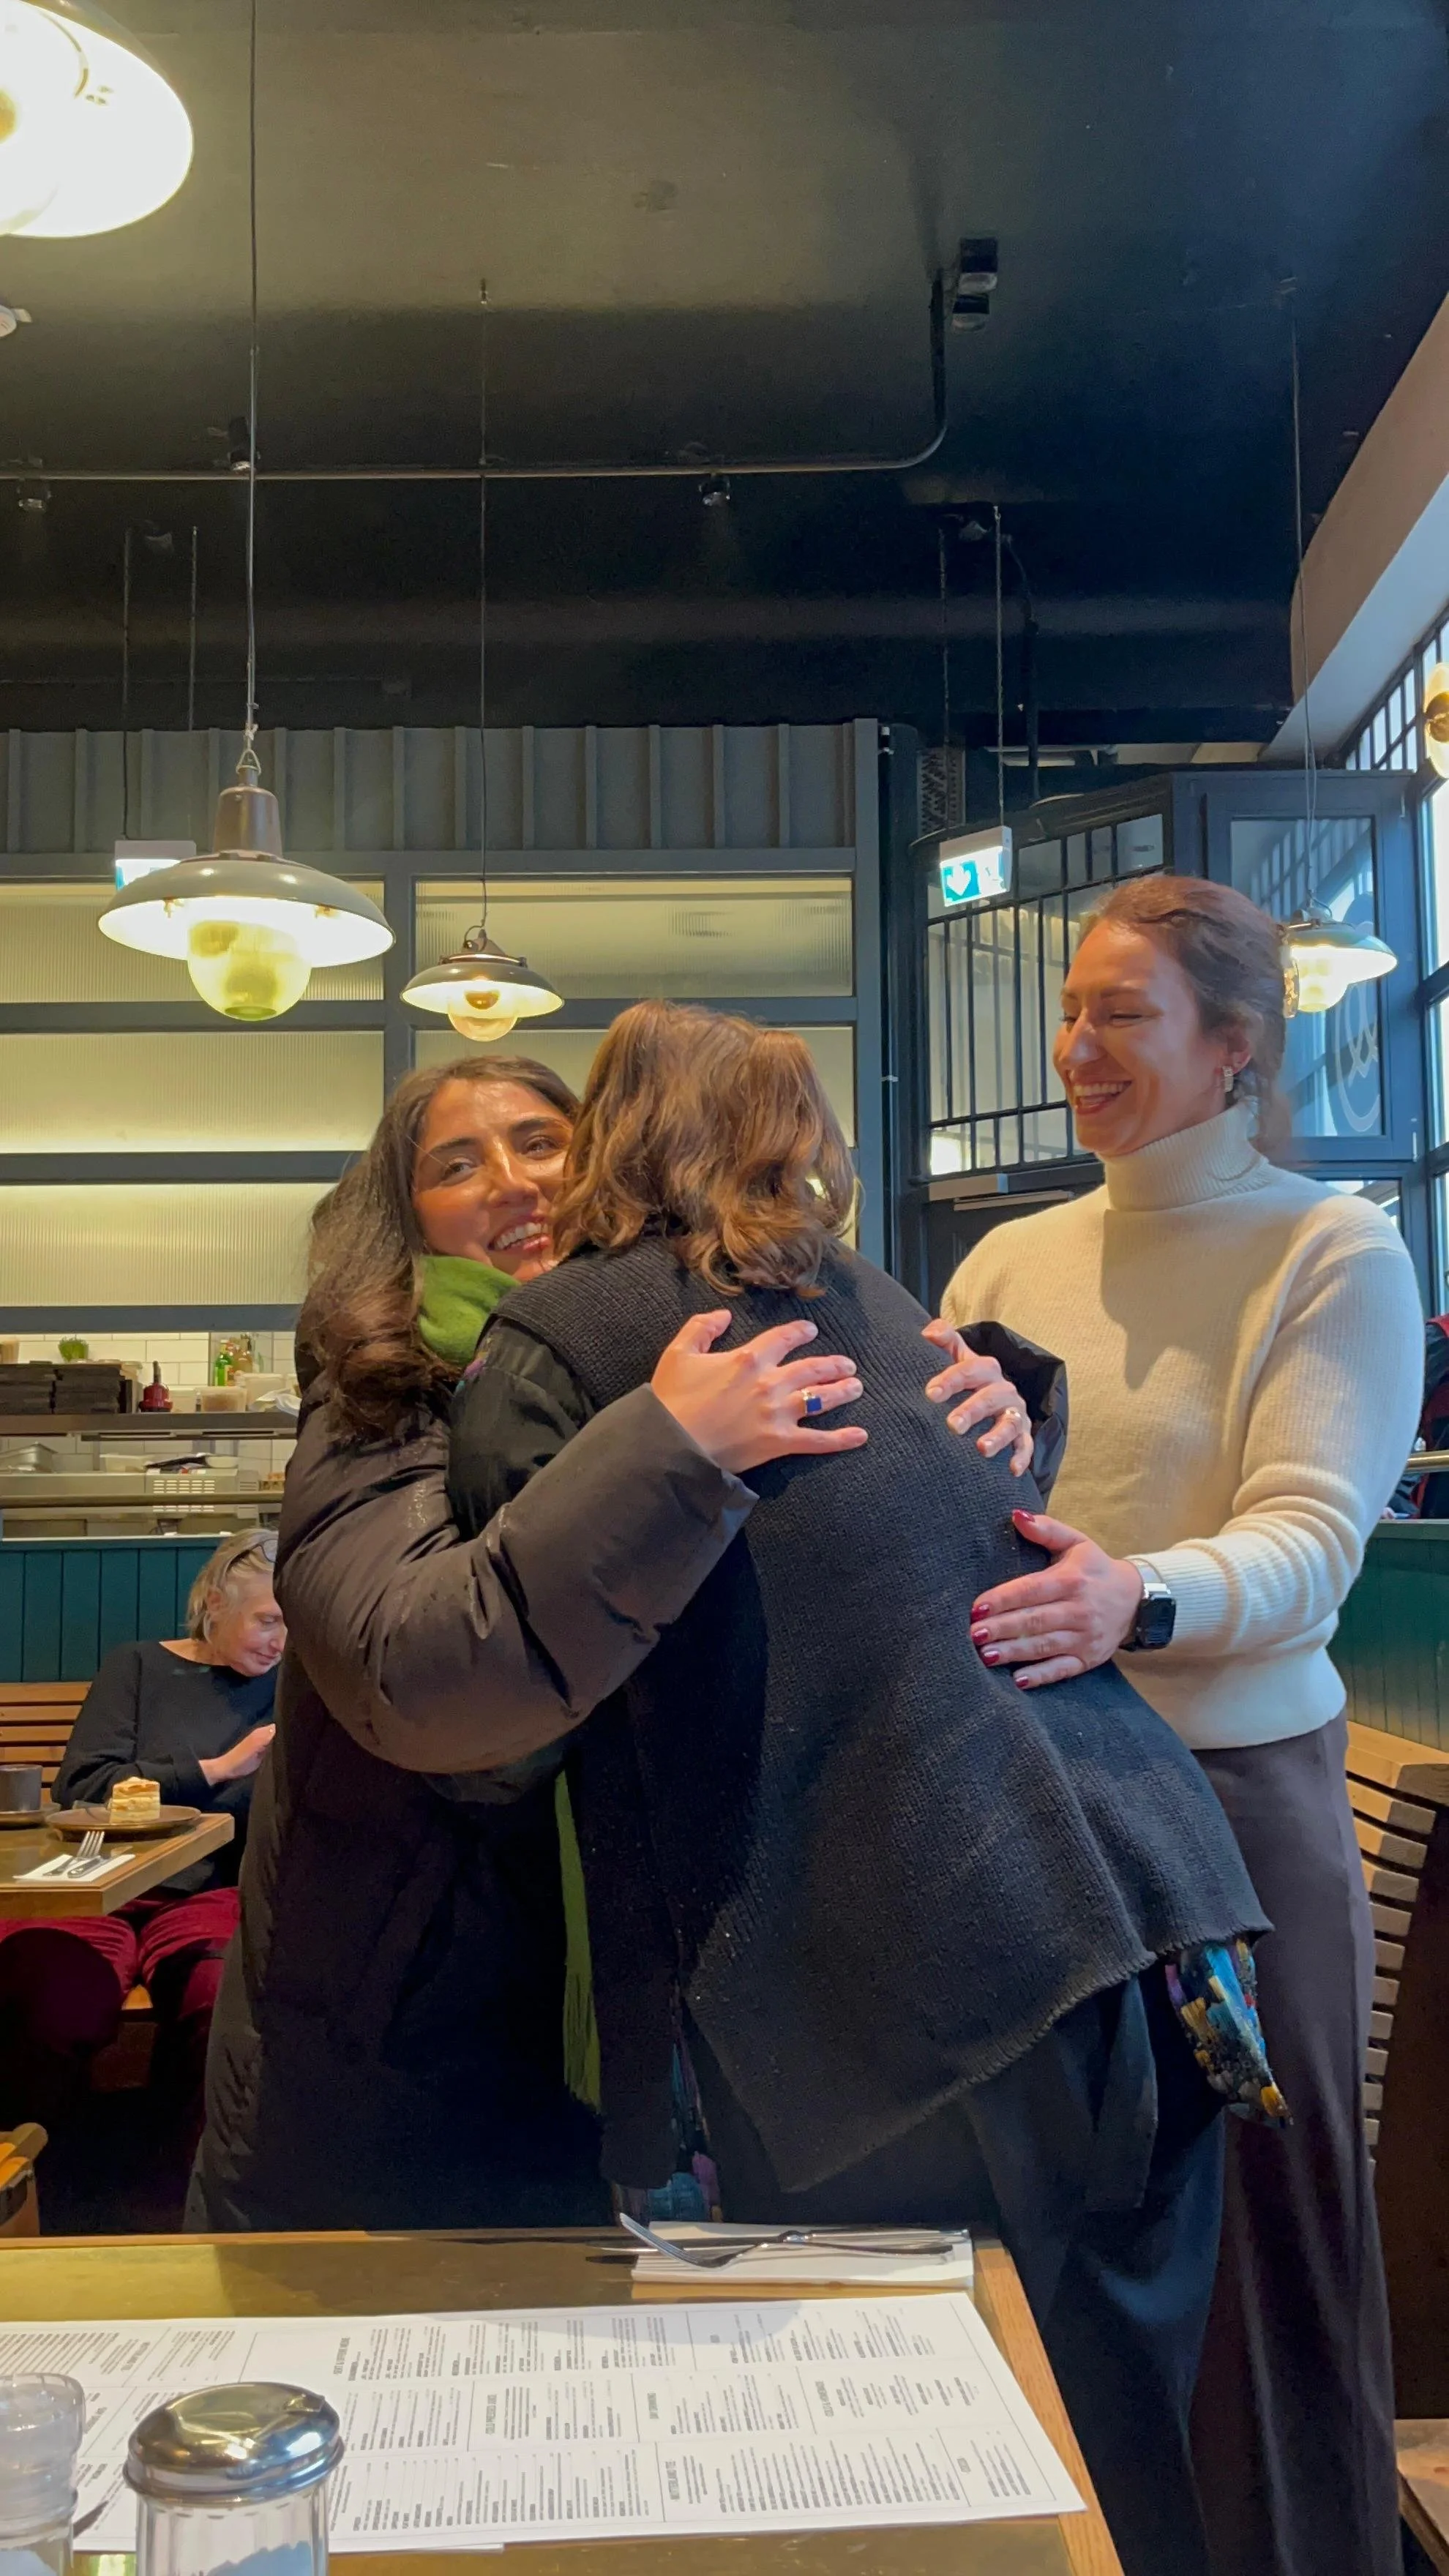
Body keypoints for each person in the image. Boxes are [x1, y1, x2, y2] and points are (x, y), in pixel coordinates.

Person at [446, 999, 1273, 2576]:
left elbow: (515, 1679)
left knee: (911, 2479)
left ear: (615, 1128)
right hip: (1160, 1918)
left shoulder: (565, 1339)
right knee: (1114, 2438)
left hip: (924, 1979)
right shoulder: (885, 1305)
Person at [195, 1050, 1024, 2234]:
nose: (513, 1181)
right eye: (456, 1163)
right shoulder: (381, 1397)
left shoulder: (670, 1354)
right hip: (395, 2022)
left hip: (641, 2011)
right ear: (402, 1217)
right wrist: (670, 1454)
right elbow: (423, 1679)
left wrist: (995, 1405)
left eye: (543, 1143)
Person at [942, 872, 1423, 2576]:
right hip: (1036, 1795)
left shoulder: (1328, 1245)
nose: (1075, 1045)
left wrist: (1123, 1595)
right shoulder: (1007, 1255)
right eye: (1067, 1010)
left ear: (1230, 1044)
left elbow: (1303, 1544)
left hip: (1228, 1814)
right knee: (1049, 2228)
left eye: (1118, 1013)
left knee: (1256, 2247)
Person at [0, 1529, 280, 2155]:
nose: (281, 1641)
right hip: (97, 1885)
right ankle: (42, 2180)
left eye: (294, 1624)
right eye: (267, 1620)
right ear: (215, 1604)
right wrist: (219, 1767)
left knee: (221, 1998)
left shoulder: (293, 1687)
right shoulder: (139, 1666)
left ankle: (176, 2186)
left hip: (211, 1892)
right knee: (50, 1995)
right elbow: (84, 1788)